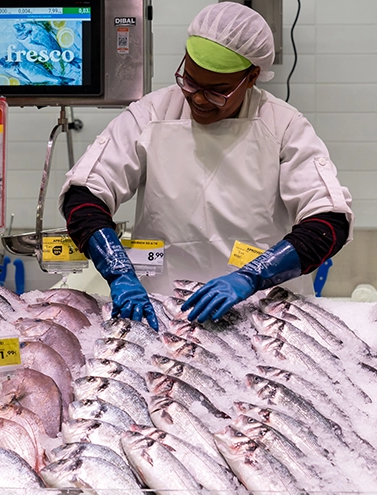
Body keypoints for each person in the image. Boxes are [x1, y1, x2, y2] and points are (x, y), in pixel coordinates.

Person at [59, 2, 353, 329]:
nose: (198, 99)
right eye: (190, 82)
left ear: (252, 77)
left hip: (265, 317)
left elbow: (329, 222)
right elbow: (83, 196)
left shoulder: (284, 126)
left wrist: (252, 277)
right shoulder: (151, 115)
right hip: (164, 313)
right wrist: (118, 271)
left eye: (218, 91)